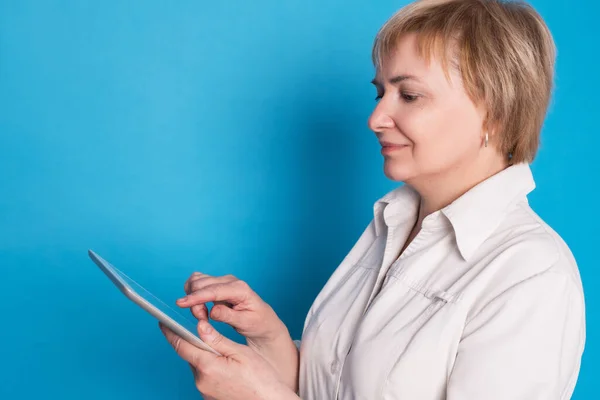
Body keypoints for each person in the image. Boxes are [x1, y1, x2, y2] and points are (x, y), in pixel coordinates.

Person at [158, 0, 586, 398]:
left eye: (410, 95)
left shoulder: (532, 274)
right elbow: (341, 387)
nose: (376, 118)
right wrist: (270, 338)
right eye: (380, 92)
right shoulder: (392, 225)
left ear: (494, 111)